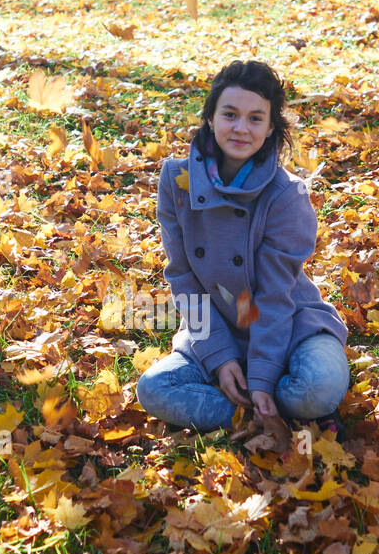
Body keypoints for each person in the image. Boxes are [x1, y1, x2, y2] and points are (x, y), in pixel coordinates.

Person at [135, 58, 350, 436]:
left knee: (318, 387)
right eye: (230, 114)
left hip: (292, 325)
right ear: (210, 117)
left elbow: (274, 295)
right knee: (153, 389)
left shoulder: (287, 194)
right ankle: (263, 415)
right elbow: (184, 279)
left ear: (270, 129)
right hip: (217, 325)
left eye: (255, 118)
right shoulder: (176, 180)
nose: (240, 128)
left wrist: (264, 378)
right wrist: (220, 358)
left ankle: (279, 402)